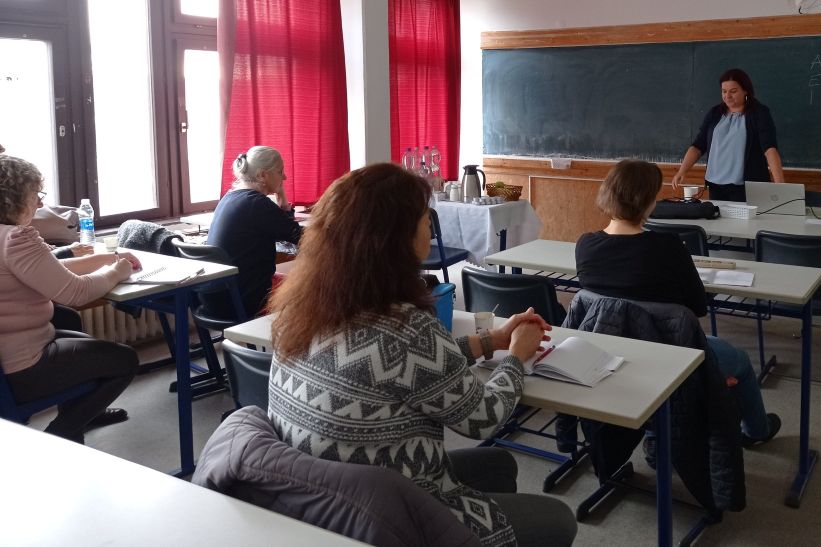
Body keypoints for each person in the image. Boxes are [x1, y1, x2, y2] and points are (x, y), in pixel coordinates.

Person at [266, 163, 577, 547]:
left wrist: (490, 341)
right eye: (423, 219)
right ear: (395, 238)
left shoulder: (301, 311)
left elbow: (402, 371)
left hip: (322, 500)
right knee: (559, 520)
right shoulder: (405, 327)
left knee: (499, 464)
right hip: (392, 516)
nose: (430, 228)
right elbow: (483, 419)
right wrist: (516, 355)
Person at [578, 159, 781, 446]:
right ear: (648, 202)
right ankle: (757, 431)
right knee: (741, 361)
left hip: (609, 354)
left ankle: (655, 434)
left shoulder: (585, 245)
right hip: (672, 356)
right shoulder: (668, 247)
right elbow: (697, 308)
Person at [0, 154, 141, 443]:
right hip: (22, 366)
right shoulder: (16, 238)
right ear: (14, 198)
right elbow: (76, 292)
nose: (40, 205)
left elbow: (48, 269)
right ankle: (59, 439)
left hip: (10, 355)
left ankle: (80, 418)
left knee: (72, 324)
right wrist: (118, 270)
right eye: (36, 195)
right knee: (125, 360)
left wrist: (106, 258)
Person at [205, 145, 302, 319]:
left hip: (215, 299)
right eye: (280, 171)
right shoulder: (257, 204)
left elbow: (283, 228)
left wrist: (282, 198)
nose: (285, 177)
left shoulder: (230, 197)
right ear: (263, 175)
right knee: (308, 289)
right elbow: (300, 236)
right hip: (241, 301)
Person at [671, 68, 785, 202]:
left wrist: (780, 185)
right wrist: (682, 171)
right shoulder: (714, 113)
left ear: (745, 90)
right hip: (715, 186)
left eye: (733, 91)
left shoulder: (759, 113)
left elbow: (770, 149)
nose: (727, 96)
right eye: (724, 91)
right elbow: (698, 146)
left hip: (746, 187)